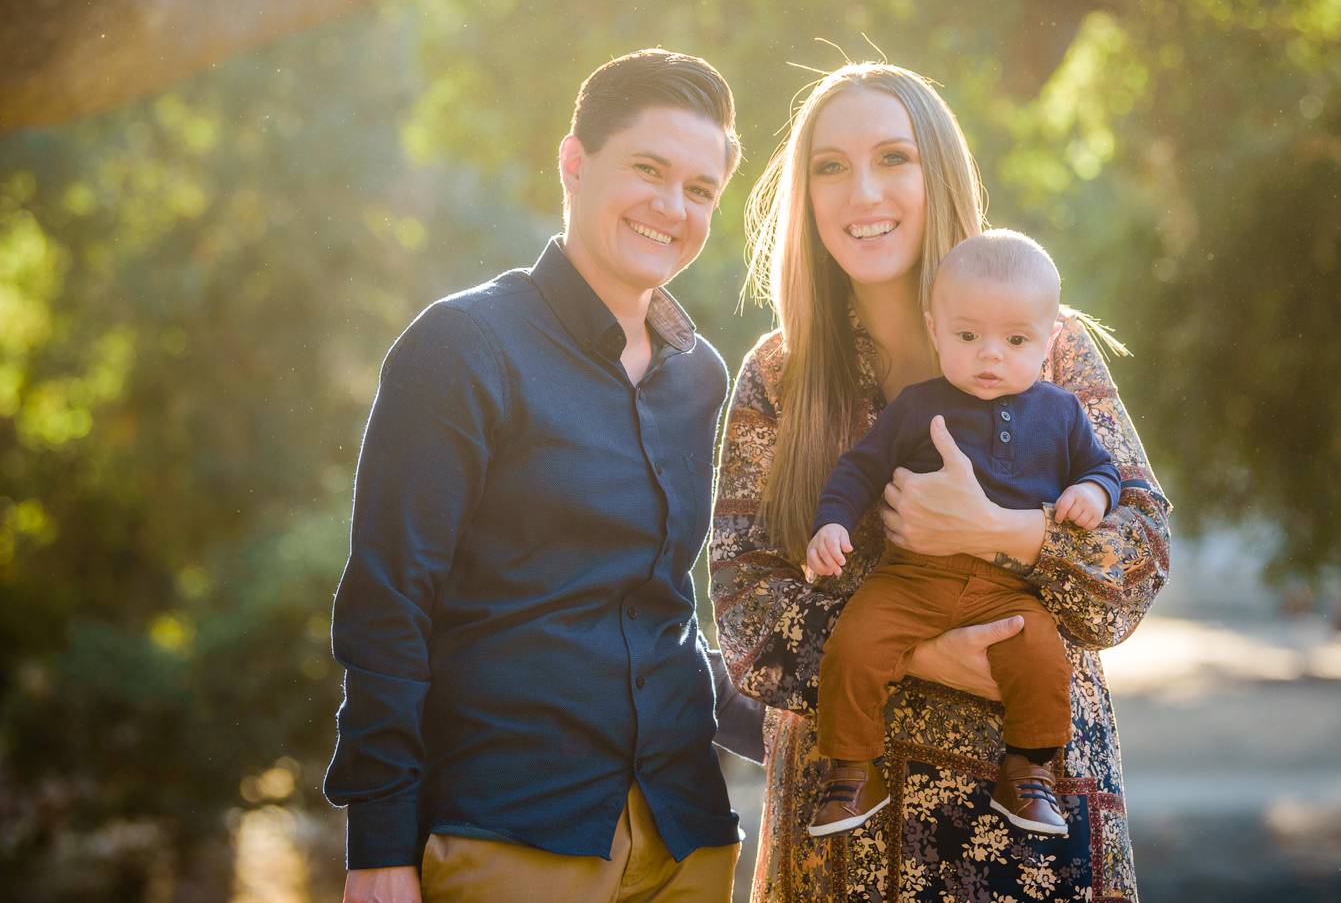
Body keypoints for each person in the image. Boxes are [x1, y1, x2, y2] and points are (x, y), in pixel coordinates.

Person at [710, 63, 1172, 902]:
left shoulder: (1050, 350)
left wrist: (1002, 529)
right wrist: (923, 655)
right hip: (839, 853)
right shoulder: (779, 376)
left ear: (940, 174)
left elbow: (1136, 567)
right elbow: (743, 610)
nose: (862, 191)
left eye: (893, 157)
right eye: (830, 165)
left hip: (1031, 847)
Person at [325, 49, 746, 903]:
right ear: (574, 162)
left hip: (687, 838)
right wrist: (378, 842)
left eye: (700, 189)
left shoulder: (698, 376)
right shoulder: (463, 347)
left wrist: (816, 720)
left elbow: (655, 611)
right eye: (649, 169)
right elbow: (388, 604)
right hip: (510, 833)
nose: (673, 206)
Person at [805, 229, 1122, 839]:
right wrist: (832, 522)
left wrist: (1090, 493)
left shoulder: (1060, 412)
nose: (990, 356)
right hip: (913, 579)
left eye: (1016, 340)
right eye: (968, 336)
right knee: (854, 644)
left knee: (1041, 657)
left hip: (1009, 585)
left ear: (1050, 340)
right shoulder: (918, 405)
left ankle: (1028, 772)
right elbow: (861, 467)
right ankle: (851, 770)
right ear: (935, 328)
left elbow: (1102, 468)